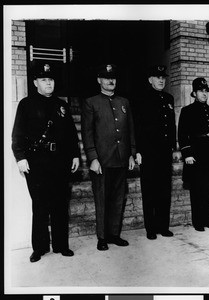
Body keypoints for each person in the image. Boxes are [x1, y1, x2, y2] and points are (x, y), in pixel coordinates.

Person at [12, 63, 80, 262]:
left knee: (60, 204)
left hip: (60, 161)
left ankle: (61, 245)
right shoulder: (26, 104)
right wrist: (21, 157)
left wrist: (75, 154)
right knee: (40, 206)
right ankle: (39, 248)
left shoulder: (62, 105)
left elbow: (70, 134)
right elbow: (17, 135)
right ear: (35, 83)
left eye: (50, 79)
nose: (48, 83)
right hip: (37, 162)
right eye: (44, 80)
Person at [81, 64, 136, 251]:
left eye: (113, 78)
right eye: (106, 78)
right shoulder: (91, 102)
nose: (110, 81)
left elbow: (130, 130)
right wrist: (92, 158)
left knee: (118, 199)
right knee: (102, 199)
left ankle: (114, 234)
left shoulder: (124, 102)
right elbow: (87, 133)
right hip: (102, 161)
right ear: (99, 80)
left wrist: (131, 154)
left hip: (121, 159)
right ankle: (102, 237)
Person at [178, 77, 209, 231]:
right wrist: (187, 154)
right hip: (196, 155)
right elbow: (182, 134)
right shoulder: (187, 111)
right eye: (201, 91)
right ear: (194, 93)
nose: (204, 93)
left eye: (206, 91)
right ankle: (198, 222)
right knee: (197, 189)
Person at [135, 65, 176, 240]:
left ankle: (163, 226)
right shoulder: (141, 99)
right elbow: (137, 126)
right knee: (150, 191)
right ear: (150, 79)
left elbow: (171, 124)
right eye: (157, 77)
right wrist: (137, 151)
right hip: (149, 152)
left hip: (165, 152)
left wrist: (173, 147)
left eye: (163, 77)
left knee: (164, 190)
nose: (161, 80)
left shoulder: (169, 98)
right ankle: (151, 228)